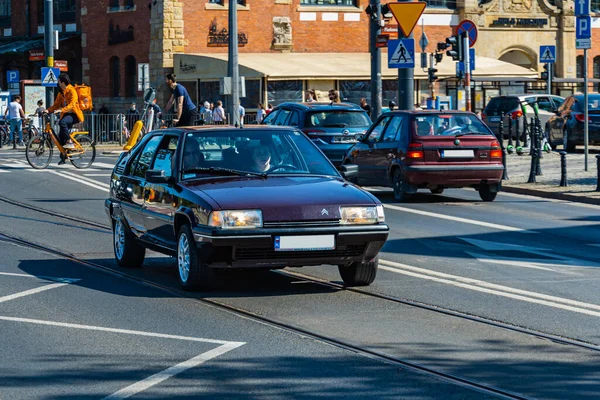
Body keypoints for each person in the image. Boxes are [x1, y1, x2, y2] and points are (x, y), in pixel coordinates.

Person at [45, 73, 84, 162]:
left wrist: (61, 110)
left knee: (62, 123)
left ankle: (70, 142)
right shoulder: (61, 93)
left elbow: (72, 105)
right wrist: (48, 110)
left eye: (59, 81)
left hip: (75, 115)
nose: (58, 83)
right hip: (66, 115)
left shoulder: (72, 90)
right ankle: (65, 156)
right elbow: (55, 105)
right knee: (60, 137)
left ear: (63, 82)